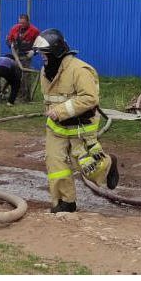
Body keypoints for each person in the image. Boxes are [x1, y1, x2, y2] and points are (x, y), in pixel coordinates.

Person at [34, 28, 119, 213]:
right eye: (41, 54)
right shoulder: (45, 71)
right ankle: (65, 202)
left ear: (56, 52)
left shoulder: (79, 70)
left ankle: (108, 164)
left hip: (79, 128)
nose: (42, 57)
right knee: (56, 164)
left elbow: (90, 98)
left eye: (45, 53)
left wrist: (62, 110)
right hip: (55, 128)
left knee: (87, 166)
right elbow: (49, 98)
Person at [6, 14, 40, 101]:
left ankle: (26, 97)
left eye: (24, 23)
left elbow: (40, 44)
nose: (22, 25)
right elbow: (8, 39)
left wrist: (34, 52)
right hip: (16, 55)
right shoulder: (15, 28)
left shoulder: (34, 31)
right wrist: (11, 44)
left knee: (26, 76)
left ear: (28, 22)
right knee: (15, 75)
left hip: (26, 56)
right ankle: (16, 94)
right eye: (20, 23)